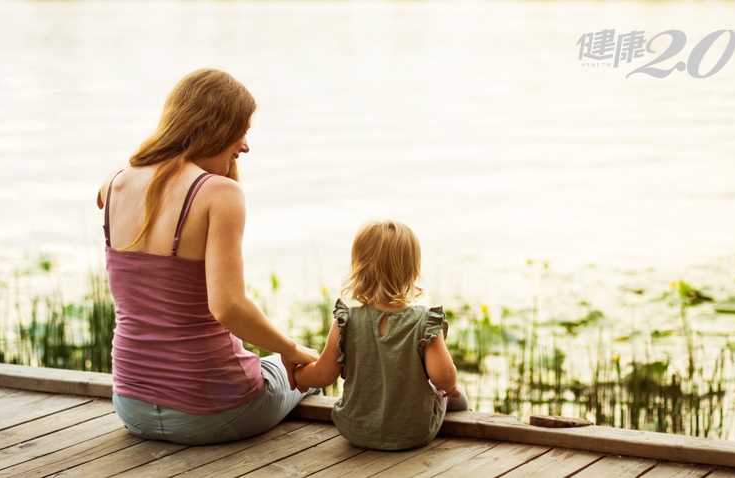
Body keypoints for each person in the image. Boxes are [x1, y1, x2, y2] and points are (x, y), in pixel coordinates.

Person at [96, 68, 320, 446]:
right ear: (216, 128)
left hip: (131, 406)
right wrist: (292, 350)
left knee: (275, 363)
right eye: (241, 132)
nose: (245, 147)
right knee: (308, 371)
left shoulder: (113, 182)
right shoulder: (219, 194)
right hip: (213, 411)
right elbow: (228, 306)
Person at [294, 220, 470, 450]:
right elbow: (443, 377)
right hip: (413, 432)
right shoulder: (425, 321)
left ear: (358, 269)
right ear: (413, 272)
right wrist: (451, 386)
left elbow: (321, 375)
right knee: (457, 396)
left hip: (355, 429)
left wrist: (297, 374)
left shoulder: (345, 321)